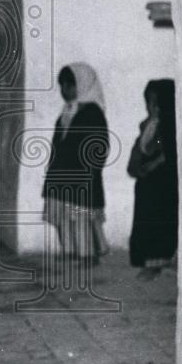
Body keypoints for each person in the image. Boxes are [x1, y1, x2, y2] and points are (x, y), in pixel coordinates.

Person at [43, 63, 110, 263]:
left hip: (81, 175)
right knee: (64, 215)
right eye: (62, 86)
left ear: (82, 85)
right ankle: (70, 250)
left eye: (69, 86)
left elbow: (99, 146)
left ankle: (89, 255)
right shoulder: (67, 111)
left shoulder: (93, 113)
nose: (65, 91)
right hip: (62, 173)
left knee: (81, 216)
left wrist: (87, 169)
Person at [127, 79, 178, 278]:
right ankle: (148, 262)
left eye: (157, 103)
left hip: (162, 188)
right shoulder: (148, 126)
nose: (152, 107)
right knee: (145, 224)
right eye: (149, 102)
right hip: (147, 185)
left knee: (159, 224)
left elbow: (163, 152)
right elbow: (142, 148)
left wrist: (153, 163)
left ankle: (157, 264)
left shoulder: (166, 127)